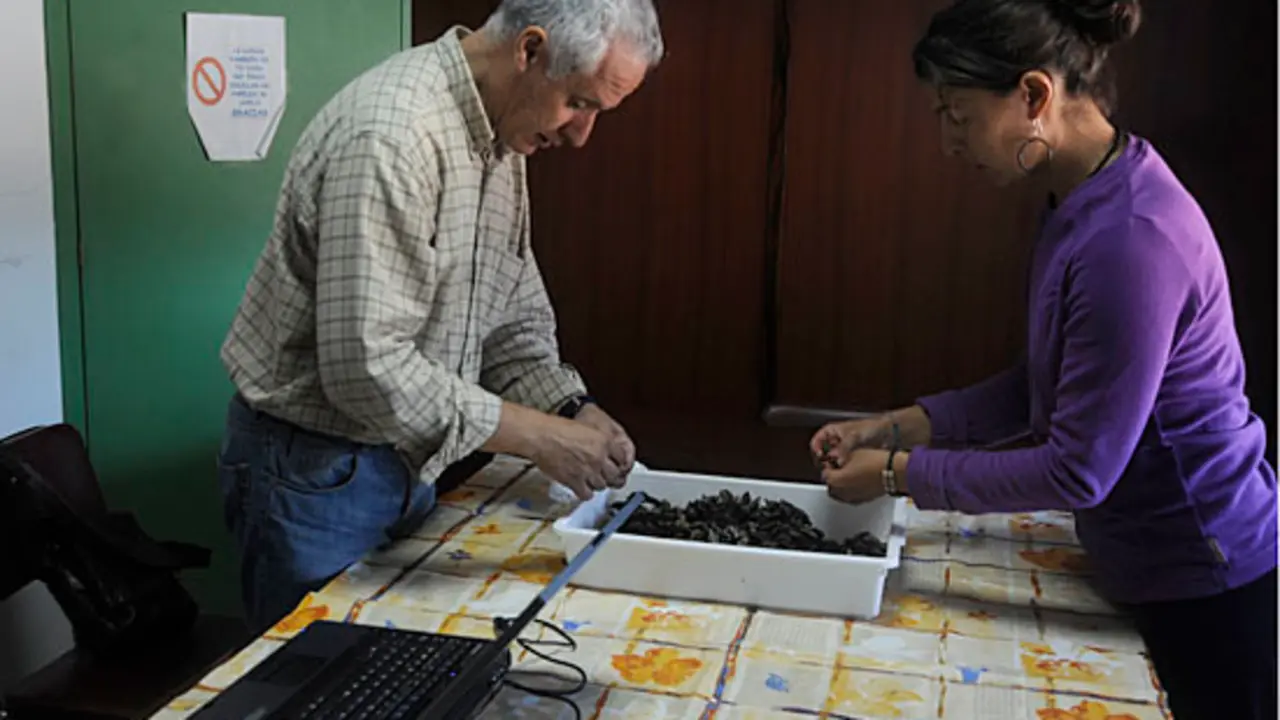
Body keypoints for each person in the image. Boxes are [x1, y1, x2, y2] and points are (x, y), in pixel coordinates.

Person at [810, 1, 1277, 718]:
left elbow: (1077, 468)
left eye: (957, 115)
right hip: (1139, 560)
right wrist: (896, 426)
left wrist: (899, 476)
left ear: (1033, 95)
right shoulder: (1081, 198)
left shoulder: (1131, 238)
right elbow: (1054, 381)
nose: (947, 142)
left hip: (1208, 579)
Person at [216, 0, 665, 633]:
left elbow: (511, 314)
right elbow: (367, 372)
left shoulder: (503, 129)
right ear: (529, 51)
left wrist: (570, 408)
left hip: (405, 459)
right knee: (316, 687)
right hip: (315, 470)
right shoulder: (393, 136)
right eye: (580, 103)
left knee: (399, 675)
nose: (579, 135)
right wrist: (537, 437)